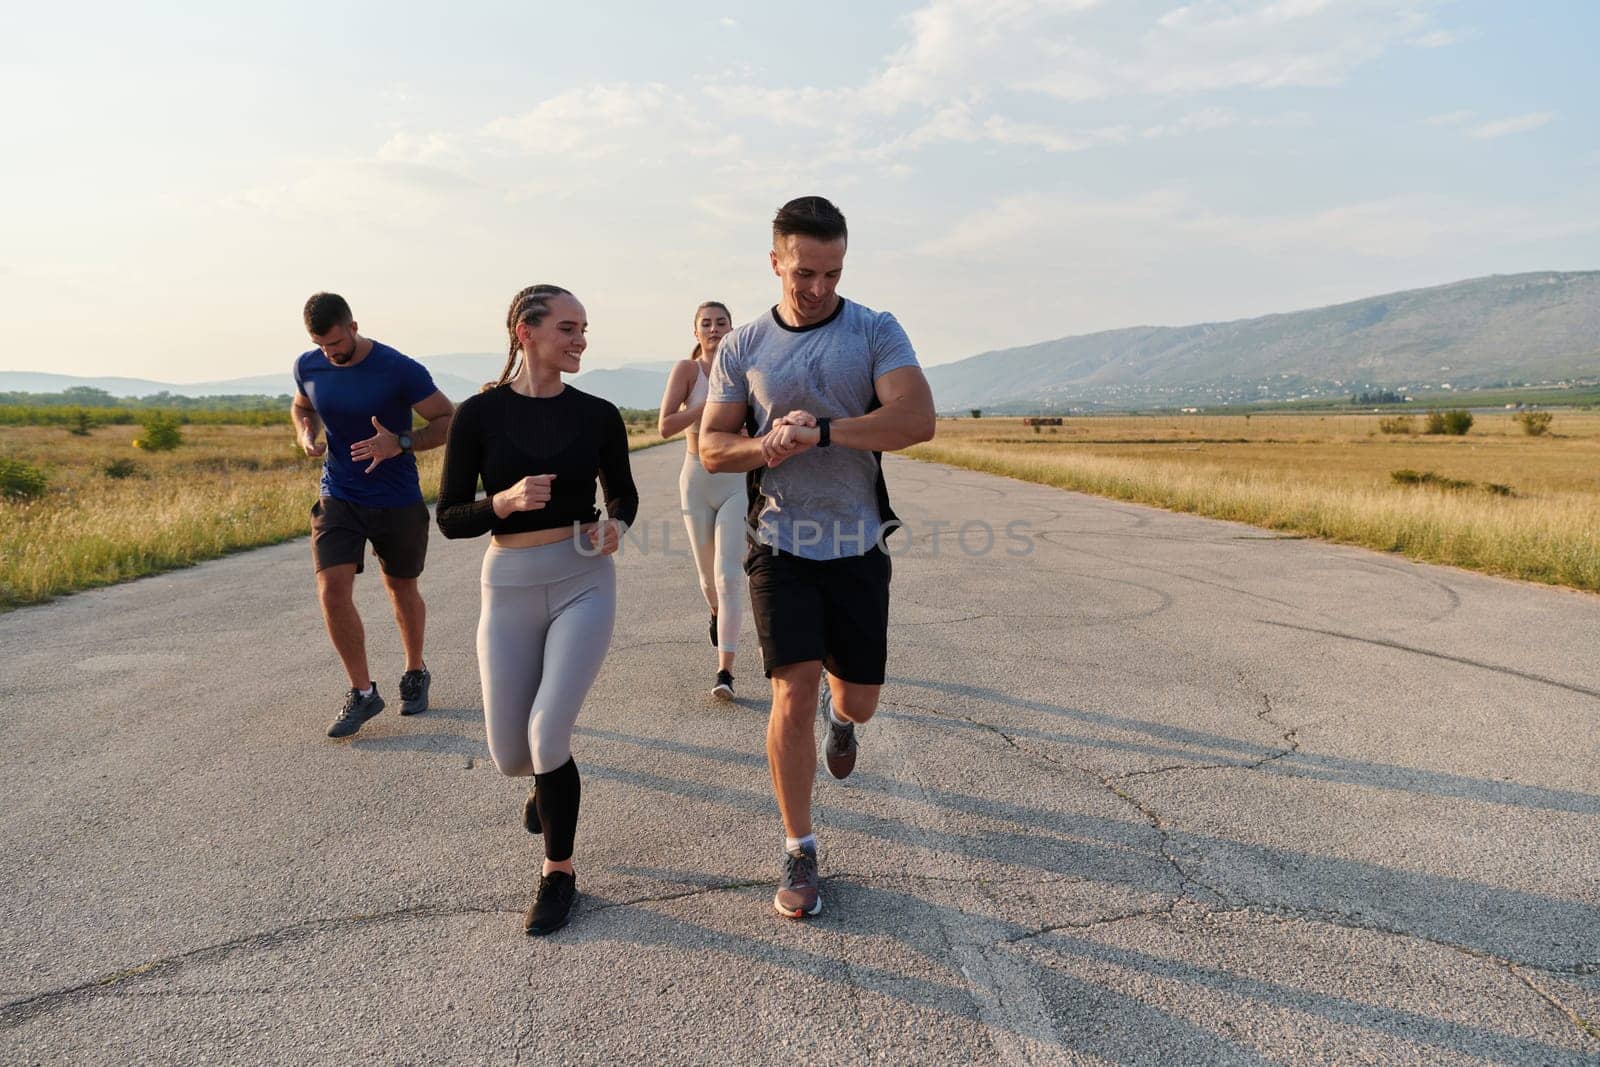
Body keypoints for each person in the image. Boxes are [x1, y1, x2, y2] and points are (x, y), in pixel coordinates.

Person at [700, 197, 936, 918]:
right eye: (805, 272)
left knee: (853, 697)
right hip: (780, 542)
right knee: (791, 690)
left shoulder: (874, 329)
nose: (819, 286)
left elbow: (916, 419)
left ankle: (846, 721)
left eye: (832, 272)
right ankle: (799, 844)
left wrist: (823, 433)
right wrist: (764, 444)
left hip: (857, 543)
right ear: (775, 262)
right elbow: (712, 447)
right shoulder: (742, 346)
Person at [436, 284, 637, 937]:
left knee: (549, 735)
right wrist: (503, 501)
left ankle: (559, 873)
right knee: (510, 754)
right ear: (527, 330)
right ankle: (542, 788)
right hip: (510, 584)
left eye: (585, 329)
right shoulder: (478, 415)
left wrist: (616, 527)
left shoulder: (598, 413)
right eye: (569, 328)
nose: (580, 339)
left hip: (583, 579)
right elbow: (450, 518)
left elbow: (624, 497)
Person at [291, 292, 455, 739]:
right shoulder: (308, 366)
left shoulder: (399, 368)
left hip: (396, 498)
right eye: (322, 346)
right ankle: (362, 692)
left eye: (337, 343)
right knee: (331, 590)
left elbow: (447, 420)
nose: (331, 353)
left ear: (354, 326)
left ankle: (415, 671)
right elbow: (303, 405)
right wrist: (307, 433)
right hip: (339, 494)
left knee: (401, 588)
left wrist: (399, 443)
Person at [658, 301, 747, 701]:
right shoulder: (687, 371)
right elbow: (664, 427)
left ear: (731, 328)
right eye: (706, 324)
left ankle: (724, 670)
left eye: (721, 322)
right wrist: (707, 406)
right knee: (708, 579)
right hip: (695, 478)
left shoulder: (745, 369)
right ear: (696, 332)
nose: (714, 329)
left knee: (729, 575)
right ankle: (715, 612)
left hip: (736, 480)